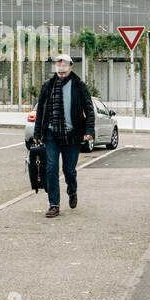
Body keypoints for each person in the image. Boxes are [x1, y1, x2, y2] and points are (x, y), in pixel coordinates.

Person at [32, 52, 95, 218]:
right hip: (52, 133)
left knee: (69, 170)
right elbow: (41, 111)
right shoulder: (48, 85)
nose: (61, 68)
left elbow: (89, 109)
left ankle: (72, 191)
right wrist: (37, 132)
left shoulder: (79, 85)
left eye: (64, 65)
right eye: (58, 65)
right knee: (51, 168)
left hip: (72, 135)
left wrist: (89, 131)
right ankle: (54, 205)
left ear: (71, 67)